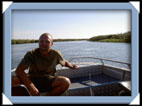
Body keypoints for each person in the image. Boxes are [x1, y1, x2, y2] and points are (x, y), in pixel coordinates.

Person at [12, 33, 78, 96]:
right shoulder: (31, 54)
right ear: (38, 43)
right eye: (41, 41)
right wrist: (31, 87)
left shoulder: (56, 54)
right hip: (33, 78)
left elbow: (64, 62)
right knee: (12, 80)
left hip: (49, 80)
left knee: (66, 82)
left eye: (47, 41)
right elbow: (19, 71)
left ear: (52, 43)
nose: (44, 43)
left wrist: (72, 66)